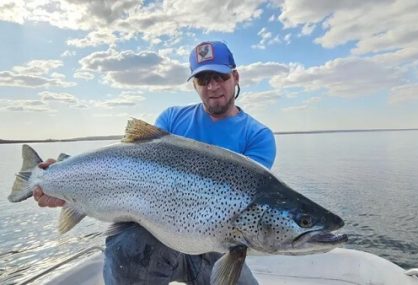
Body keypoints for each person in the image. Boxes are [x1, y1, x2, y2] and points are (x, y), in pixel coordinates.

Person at [34, 41, 276, 284]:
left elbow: (249, 208)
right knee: (126, 249)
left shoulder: (258, 136)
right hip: (154, 237)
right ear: (194, 84)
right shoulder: (172, 119)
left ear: (235, 76)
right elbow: (128, 166)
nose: (212, 86)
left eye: (220, 76)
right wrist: (64, 180)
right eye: (203, 80)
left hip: (216, 248)